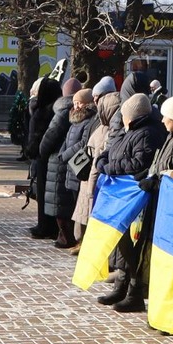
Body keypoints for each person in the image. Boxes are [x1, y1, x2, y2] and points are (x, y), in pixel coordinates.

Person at [107, 91, 173, 315]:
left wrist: (157, 181)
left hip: (169, 207)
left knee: (159, 257)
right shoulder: (172, 137)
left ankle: (169, 310)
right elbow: (157, 166)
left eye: (165, 116)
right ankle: (136, 293)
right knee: (142, 250)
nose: (161, 120)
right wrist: (149, 177)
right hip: (157, 203)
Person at [87, 94, 163, 304]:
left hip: (135, 198)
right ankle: (121, 286)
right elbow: (110, 152)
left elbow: (139, 164)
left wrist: (110, 168)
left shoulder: (147, 133)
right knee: (120, 242)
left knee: (133, 245)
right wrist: (103, 162)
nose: (123, 119)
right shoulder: (128, 130)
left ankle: (134, 291)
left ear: (133, 115)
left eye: (124, 115)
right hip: (119, 197)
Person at [48, 87, 97, 250]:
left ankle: (81, 240)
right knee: (73, 205)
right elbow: (68, 140)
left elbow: (83, 143)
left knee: (80, 205)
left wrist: (67, 154)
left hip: (78, 166)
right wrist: (62, 153)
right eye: (75, 103)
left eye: (79, 103)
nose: (76, 106)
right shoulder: (74, 119)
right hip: (70, 166)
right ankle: (76, 239)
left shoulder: (89, 120)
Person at [27, 81, 76, 240]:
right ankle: (50, 226)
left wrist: (37, 151)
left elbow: (47, 136)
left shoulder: (50, 111)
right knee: (51, 194)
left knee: (46, 193)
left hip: (47, 157)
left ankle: (46, 226)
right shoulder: (60, 109)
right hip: (54, 156)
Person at [73, 91, 122, 228]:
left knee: (87, 222)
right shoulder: (102, 126)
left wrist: (91, 189)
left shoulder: (105, 129)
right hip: (88, 179)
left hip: (92, 182)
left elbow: (97, 161)